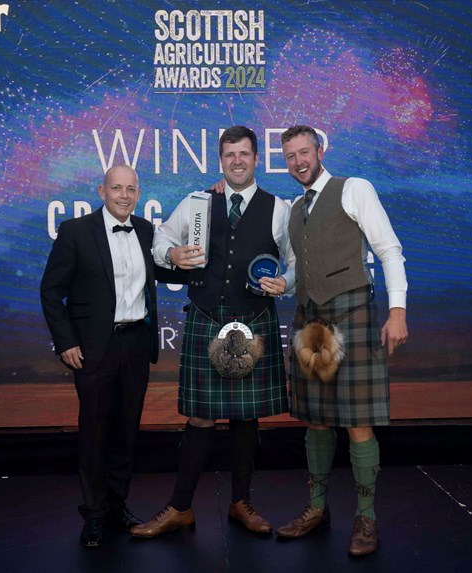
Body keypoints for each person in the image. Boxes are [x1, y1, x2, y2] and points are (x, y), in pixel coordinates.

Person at [130, 125, 296, 538]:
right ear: (220, 160)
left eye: (244, 154)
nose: (236, 161)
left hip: (254, 320)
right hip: (206, 316)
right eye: (229, 155)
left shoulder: (280, 209)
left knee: (246, 417)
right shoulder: (199, 202)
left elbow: (295, 262)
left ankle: (241, 502)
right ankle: (180, 507)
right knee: (200, 418)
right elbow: (161, 238)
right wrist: (171, 251)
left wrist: (286, 282)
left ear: (257, 159)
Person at [275, 125, 408, 557]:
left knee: (357, 422)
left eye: (304, 152)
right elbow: (300, 266)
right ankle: (317, 510)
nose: (298, 161)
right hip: (310, 325)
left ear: (319, 150)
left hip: (353, 319)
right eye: (290, 155)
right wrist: (284, 281)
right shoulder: (295, 209)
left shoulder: (355, 189)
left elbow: (388, 249)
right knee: (314, 420)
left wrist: (398, 311)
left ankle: (365, 519)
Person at [40, 165, 159, 548]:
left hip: (136, 343)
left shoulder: (146, 230)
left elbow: (169, 272)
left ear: (139, 193)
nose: (124, 195)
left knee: (126, 431)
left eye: (131, 189)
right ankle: (92, 514)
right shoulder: (76, 232)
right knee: (94, 432)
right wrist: (66, 342)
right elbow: (50, 291)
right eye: (117, 188)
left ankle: (116, 507)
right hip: (93, 349)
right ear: (102, 190)